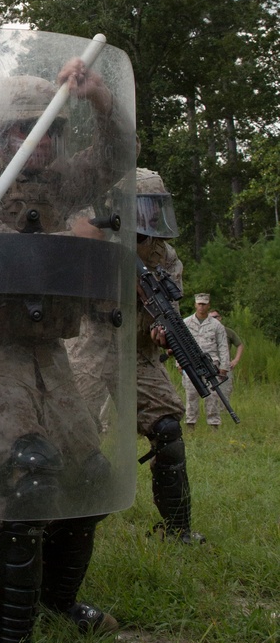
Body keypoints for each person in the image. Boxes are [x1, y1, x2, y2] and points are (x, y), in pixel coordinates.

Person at [0, 51, 133, 643]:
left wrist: (101, 101)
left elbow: (117, 159)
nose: (39, 142)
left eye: (50, 130)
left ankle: (55, 599)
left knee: (91, 479)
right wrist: (74, 246)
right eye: (25, 129)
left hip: (46, 347)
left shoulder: (52, 182)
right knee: (27, 475)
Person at [133, 171, 205, 539]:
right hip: (87, 348)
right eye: (142, 208)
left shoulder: (166, 256)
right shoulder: (94, 239)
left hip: (137, 356)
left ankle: (178, 528)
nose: (151, 217)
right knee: (68, 436)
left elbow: (164, 314)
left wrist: (164, 336)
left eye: (156, 208)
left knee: (168, 430)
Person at [183, 295, 232, 428]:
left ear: (208, 305)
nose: (201, 306)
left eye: (204, 304)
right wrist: (179, 363)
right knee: (191, 394)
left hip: (212, 365)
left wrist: (224, 366)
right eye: (199, 304)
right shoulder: (186, 323)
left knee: (213, 395)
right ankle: (190, 424)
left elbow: (223, 346)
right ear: (195, 305)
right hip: (191, 365)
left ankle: (213, 424)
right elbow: (180, 344)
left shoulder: (217, 325)